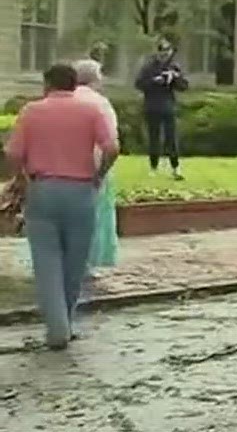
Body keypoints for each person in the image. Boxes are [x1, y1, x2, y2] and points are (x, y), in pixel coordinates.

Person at [4, 62, 119, 348]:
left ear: (47, 84)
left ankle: (57, 328)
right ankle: (66, 320)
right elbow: (112, 147)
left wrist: (20, 177)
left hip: (43, 189)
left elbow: (13, 152)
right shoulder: (91, 111)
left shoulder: (31, 112)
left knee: (47, 262)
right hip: (81, 191)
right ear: (74, 84)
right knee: (74, 263)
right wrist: (99, 174)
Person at [72, 59, 121, 282]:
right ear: (95, 78)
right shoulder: (100, 103)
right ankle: (86, 263)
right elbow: (110, 141)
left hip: (57, 168)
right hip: (92, 165)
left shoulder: (59, 99)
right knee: (93, 216)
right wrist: (101, 172)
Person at [133, 37, 188, 179]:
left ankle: (175, 167)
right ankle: (153, 166)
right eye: (162, 51)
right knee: (154, 138)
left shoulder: (174, 67)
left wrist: (175, 78)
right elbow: (139, 84)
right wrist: (154, 81)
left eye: (167, 51)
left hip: (169, 106)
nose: (165, 54)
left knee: (171, 139)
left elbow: (184, 86)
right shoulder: (149, 67)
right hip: (152, 106)